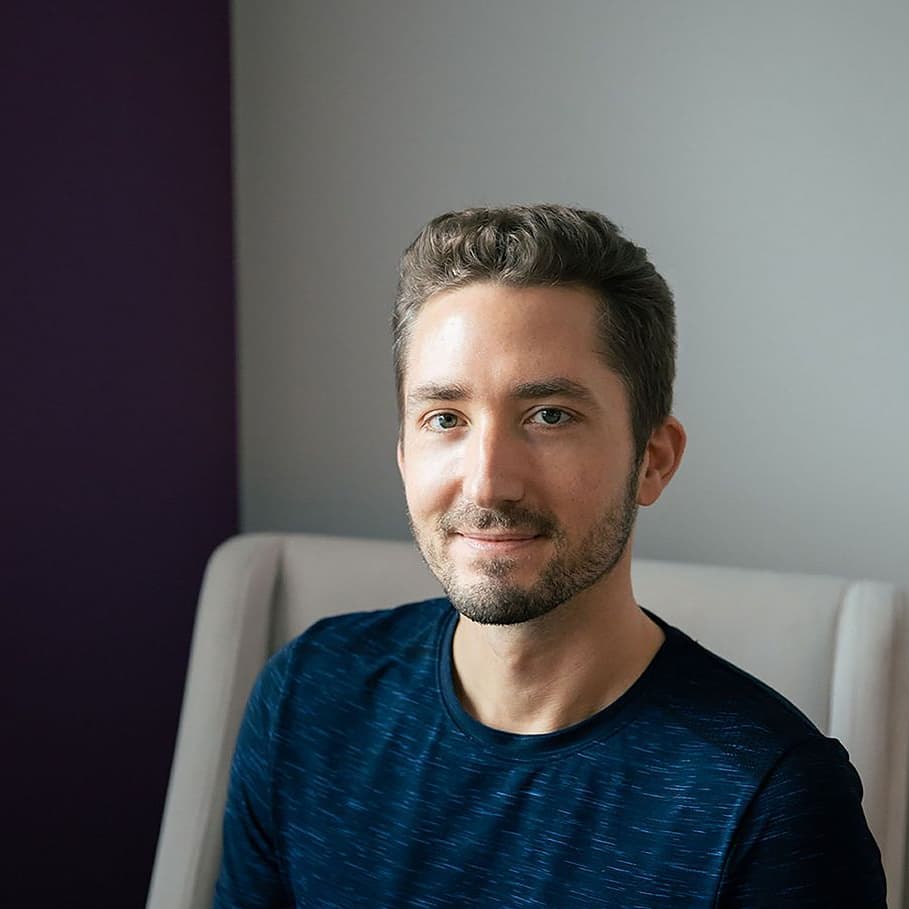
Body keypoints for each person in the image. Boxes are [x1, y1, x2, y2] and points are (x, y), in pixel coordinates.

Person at [214, 204, 886, 907]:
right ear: (405, 454)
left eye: (550, 416)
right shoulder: (306, 697)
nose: (487, 483)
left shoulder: (772, 799)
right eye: (445, 418)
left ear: (652, 460)